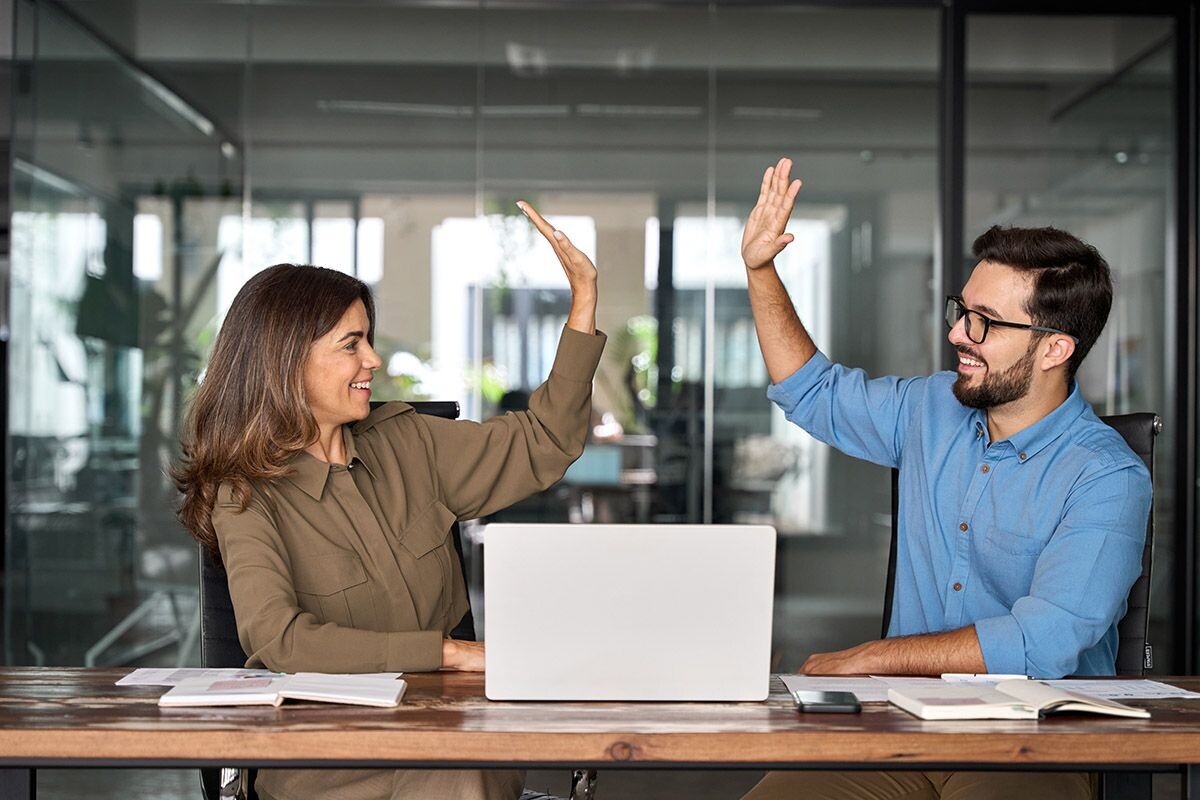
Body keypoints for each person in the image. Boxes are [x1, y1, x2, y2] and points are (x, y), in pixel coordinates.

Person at [739, 158, 1150, 800]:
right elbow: (811, 392)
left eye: (984, 321)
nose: (958, 332)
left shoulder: (1105, 476)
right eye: (963, 310)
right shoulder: (930, 409)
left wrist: (871, 657)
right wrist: (760, 270)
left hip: (1034, 744)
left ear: (1053, 349)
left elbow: (1045, 643)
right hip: (901, 729)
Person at [173, 201, 605, 800]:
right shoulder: (246, 492)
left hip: (449, 737)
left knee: (457, 766)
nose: (372, 360)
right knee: (451, 773)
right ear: (286, 363)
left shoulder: (408, 440)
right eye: (351, 345)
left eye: (368, 341)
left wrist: (582, 302)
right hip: (329, 758)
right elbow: (281, 640)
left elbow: (545, 441)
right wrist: (447, 654)